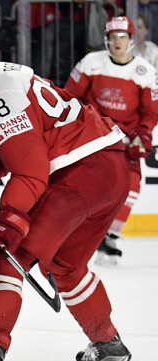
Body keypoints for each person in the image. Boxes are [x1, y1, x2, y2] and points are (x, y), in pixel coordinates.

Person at [0, 20, 140, 361]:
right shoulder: (5, 78)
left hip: (81, 175)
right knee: (66, 265)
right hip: (111, 171)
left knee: (7, 253)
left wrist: (11, 221)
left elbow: (30, 172)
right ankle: (109, 344)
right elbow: (22, 142)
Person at [64, 16, 158, 265]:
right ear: (106, 40)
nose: (117, 42)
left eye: (122, 37)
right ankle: (85, 236)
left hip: (126, 139)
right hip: (95, 135)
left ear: (131, 39)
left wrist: (144, 133)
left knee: (132, 188)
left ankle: (109, 236)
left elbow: (151, 112)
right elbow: (70, 98)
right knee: (84, 187)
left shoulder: (146, 73)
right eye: (112, 37)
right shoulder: (91, 63)